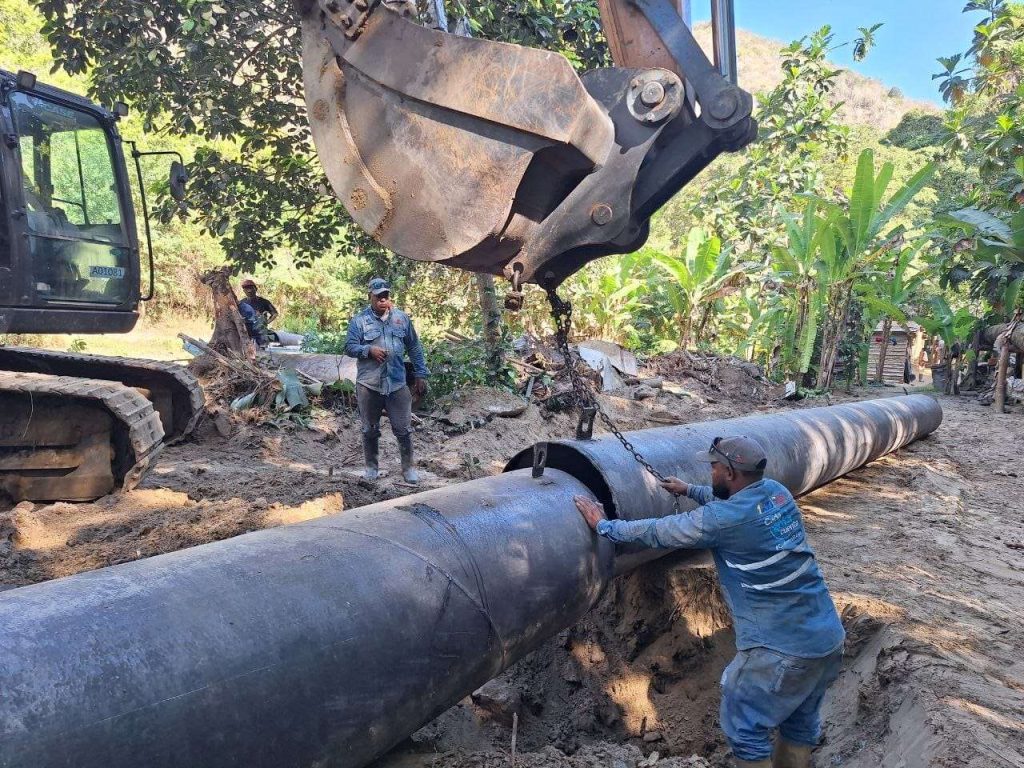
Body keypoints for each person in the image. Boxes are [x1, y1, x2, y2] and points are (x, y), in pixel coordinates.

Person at [574, 436, 845, 768]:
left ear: (730, 473)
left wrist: (604, 526)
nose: (711, 472)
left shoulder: (722, 521)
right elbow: (729, 505)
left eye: (714, 467)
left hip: (780, 650)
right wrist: (690, 489)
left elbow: (660, 531)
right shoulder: (776, 492)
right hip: (827, 638)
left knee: (746, 729)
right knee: (799, 726)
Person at [344, 277, 430, 483]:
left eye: (386, 296)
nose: (383, 300)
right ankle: (372, 467)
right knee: (369, 429)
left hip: (397, 382)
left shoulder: (401, 319)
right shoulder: (359, 321)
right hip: (369, 384)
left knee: (403, 429)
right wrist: (368, 350)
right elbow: (349, 347)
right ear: (370, 297)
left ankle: (408, 468)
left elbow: (414, 347)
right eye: (378, 297)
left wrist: (420, 373)